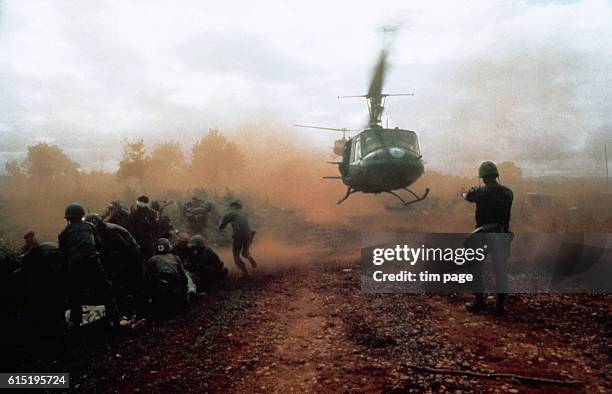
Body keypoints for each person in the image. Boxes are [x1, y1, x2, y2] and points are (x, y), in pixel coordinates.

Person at [463, 161, 513, 314]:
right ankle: (500, 304)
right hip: (501, 234)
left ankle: (479, 301)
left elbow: (467, 196)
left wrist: (468, 192)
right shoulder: (508, 192)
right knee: (500, 269)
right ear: (496, 175)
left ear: (482, 177)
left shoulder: (480, 193)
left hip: (483, 234)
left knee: (474, 266)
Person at [58, 203, 120, 328]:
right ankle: (115, 321)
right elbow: (99, 246)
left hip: (75, 267)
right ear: (81, 215)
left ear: (68, 218)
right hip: (93, 263)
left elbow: (63, 256)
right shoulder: (90, 227)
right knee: (106, 292)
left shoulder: (63, 234)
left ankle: (76, 326)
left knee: (75, 297)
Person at [85, 213, 142, 315]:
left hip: (131, 256)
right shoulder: (103, 230)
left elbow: (124, 248)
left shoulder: (110, 231)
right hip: (124, 256)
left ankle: (135, 306)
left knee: (129, 281)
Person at [143, 238, 188, 317]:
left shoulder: (153, 259)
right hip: (176, 294)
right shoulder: (176, 257)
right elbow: (184, 277)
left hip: (161, 294)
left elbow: (146, 278)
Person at [219, 199, 257, 276]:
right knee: (244, 253)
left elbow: (222, 226)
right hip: (248, 235)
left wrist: (220, 227)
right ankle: (249, 257)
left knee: (236, 256)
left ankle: (245, 273)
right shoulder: (243, 213)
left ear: (233, 205)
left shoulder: (231, 213)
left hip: (239, 236)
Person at [128, 195, 158, 261]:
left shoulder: (150, 213)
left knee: (147, 258)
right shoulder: (136, 213)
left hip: (145, 239)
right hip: (140, 239)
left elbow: (154, 226)